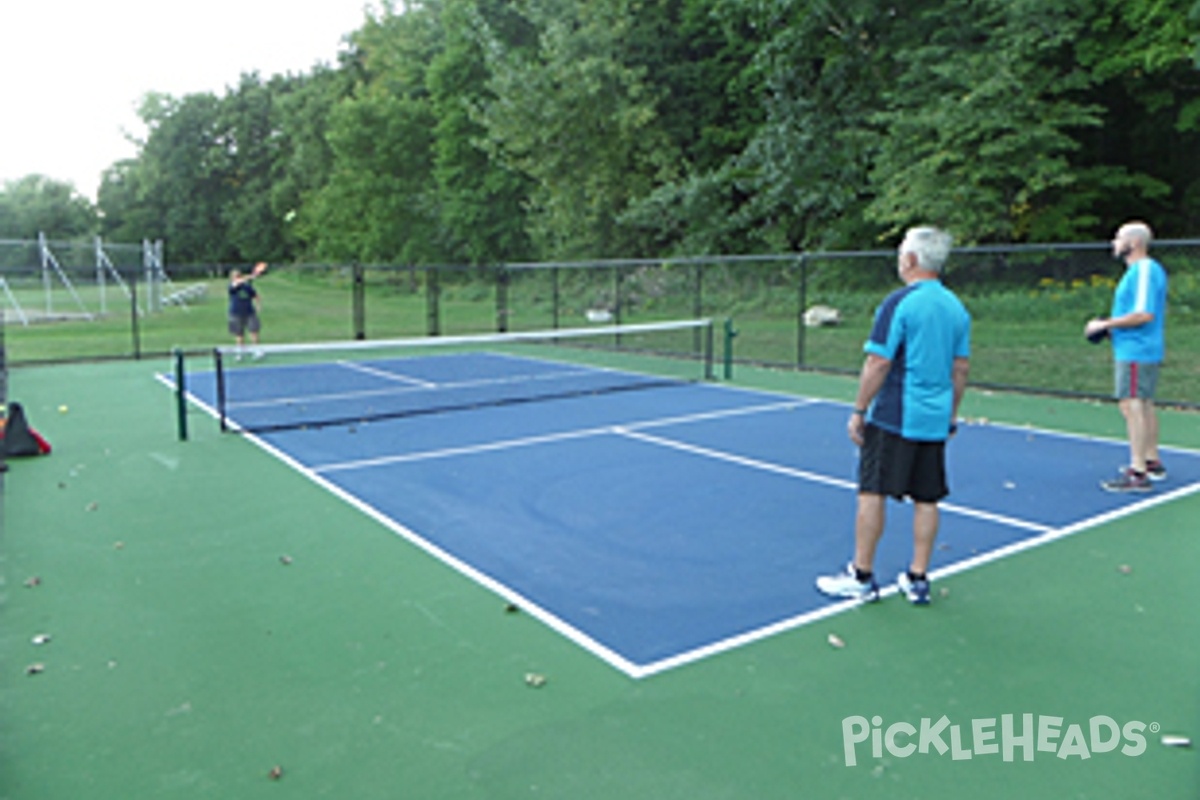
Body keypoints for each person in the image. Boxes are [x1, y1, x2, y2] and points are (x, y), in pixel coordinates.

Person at [815, 227, 971, 605]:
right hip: (933, 419)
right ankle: (917, 578)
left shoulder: (898, 303)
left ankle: (862, 576)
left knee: (872, 491)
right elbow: (960, 369)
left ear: (912, 260)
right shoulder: (956, 307)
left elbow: (878, 361)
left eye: (902, 252)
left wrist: (859, 410)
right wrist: (950, 416)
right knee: (927, 497)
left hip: (894, 415)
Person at [1084, 221, 1169, 492]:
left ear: (1134, 243)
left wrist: (1105, 325)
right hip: (1135, 346)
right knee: (1141, 404)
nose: (1113, 243)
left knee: (1133, 406)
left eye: (1118, 238)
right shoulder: (1139, 272)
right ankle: (1150, 460)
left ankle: (1138, 472)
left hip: (1137, 349)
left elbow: (1144, 314)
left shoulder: (1144, 270)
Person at [228, 262, 266, 359]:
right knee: (239, 335)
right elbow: (237, 283)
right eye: (235, 277)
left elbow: (256, 296)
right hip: (235, 313)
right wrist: (251, 276)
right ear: (232, 278)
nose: (237, 278)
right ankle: (240, 352)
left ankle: (256, 350)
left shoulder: (247, 287)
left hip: (250, 312)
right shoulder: (231, 287)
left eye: (238, 276)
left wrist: (258, 306)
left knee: (254, 332)